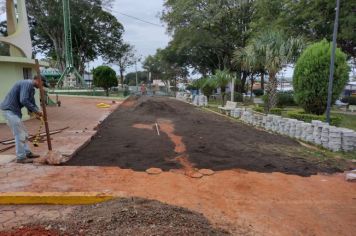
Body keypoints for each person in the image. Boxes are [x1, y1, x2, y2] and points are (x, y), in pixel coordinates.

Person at [0, 76, 48, 163]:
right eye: (43, 84)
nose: (42, 87)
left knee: (24, 133)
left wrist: (36, 113)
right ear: (38, 80)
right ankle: (20, 157)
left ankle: (27, 152)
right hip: (9, 110)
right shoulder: (27, 84)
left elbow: (31, 102)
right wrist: (37, 111)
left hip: (14, 111)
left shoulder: (32, 89)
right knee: (19, 134)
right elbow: (24, 100)